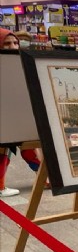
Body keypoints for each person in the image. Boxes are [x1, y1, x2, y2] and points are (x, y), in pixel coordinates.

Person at [0, 29, 45, 197]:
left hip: (15, 115)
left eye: (15, 43)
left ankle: (45, 179)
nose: (13, 46)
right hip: (6, 116)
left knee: (26, 145)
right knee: (7, 148)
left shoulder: (18, 61)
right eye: (7, 43)